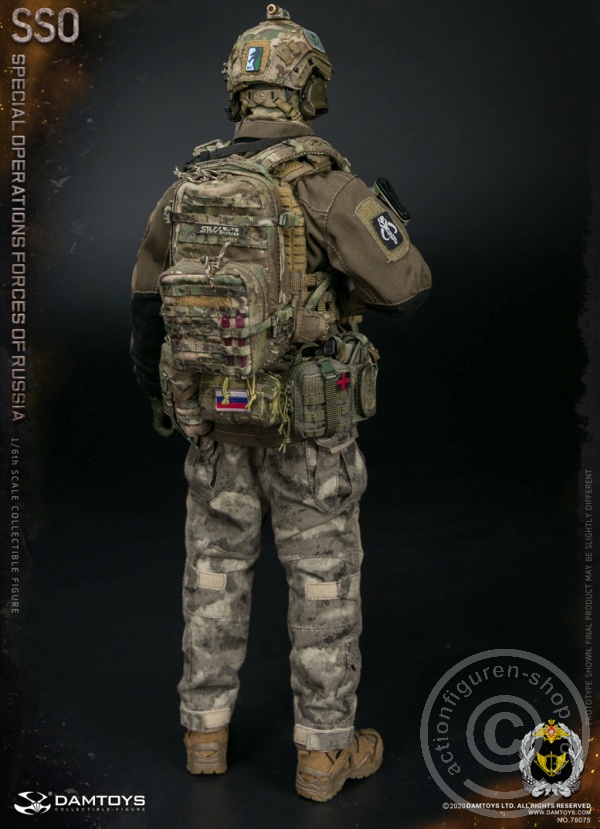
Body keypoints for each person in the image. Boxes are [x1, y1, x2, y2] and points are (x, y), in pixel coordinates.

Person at [130, 4, 431, 802]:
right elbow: (406, 287)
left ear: (237, 86)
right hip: (305, 425)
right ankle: (324, 756)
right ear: (307, 86)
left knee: (213, 572)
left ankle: (203, 736)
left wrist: (168, 393)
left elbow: (145, 305)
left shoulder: (189, 184)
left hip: (215, 420)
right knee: (323, 579)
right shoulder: (324, 183)